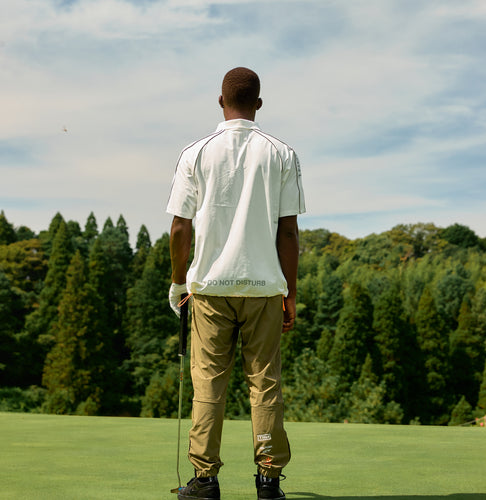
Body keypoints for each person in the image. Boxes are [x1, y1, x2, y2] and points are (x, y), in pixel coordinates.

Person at [167, 67, 305, 500]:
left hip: (209, 289)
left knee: (208, 383)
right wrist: (291, 292)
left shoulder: (195, 152)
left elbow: (178, 228)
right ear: (258, 104)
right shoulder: (282, 153)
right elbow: (288, 232)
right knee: (264, 383)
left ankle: (205, 480)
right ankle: (268, 481)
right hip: (265, 288)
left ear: (220, 101)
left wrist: (177, 283)